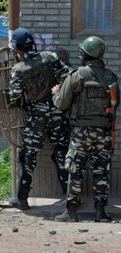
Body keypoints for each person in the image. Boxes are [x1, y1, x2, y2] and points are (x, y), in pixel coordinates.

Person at [52, 36, 119, 222]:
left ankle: (71, 213)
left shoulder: (77, 75)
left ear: (85, 55)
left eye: (81, 53)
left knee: (75, 170)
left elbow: (62, 104)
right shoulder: (111, 77)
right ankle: (100, 213)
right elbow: (115, 105)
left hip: (80, 133)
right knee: (101, 172)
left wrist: (56, 93)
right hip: (103, 133)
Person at [7, 28, 72, 210]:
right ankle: (71, 198)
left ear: (17, 48)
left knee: (28, 156)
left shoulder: (18, 69)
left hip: (36, 117)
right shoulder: (50, 57)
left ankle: (22, 199)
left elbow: (15, 97)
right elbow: (68, 76)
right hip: (58, 112)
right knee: (61, 152)